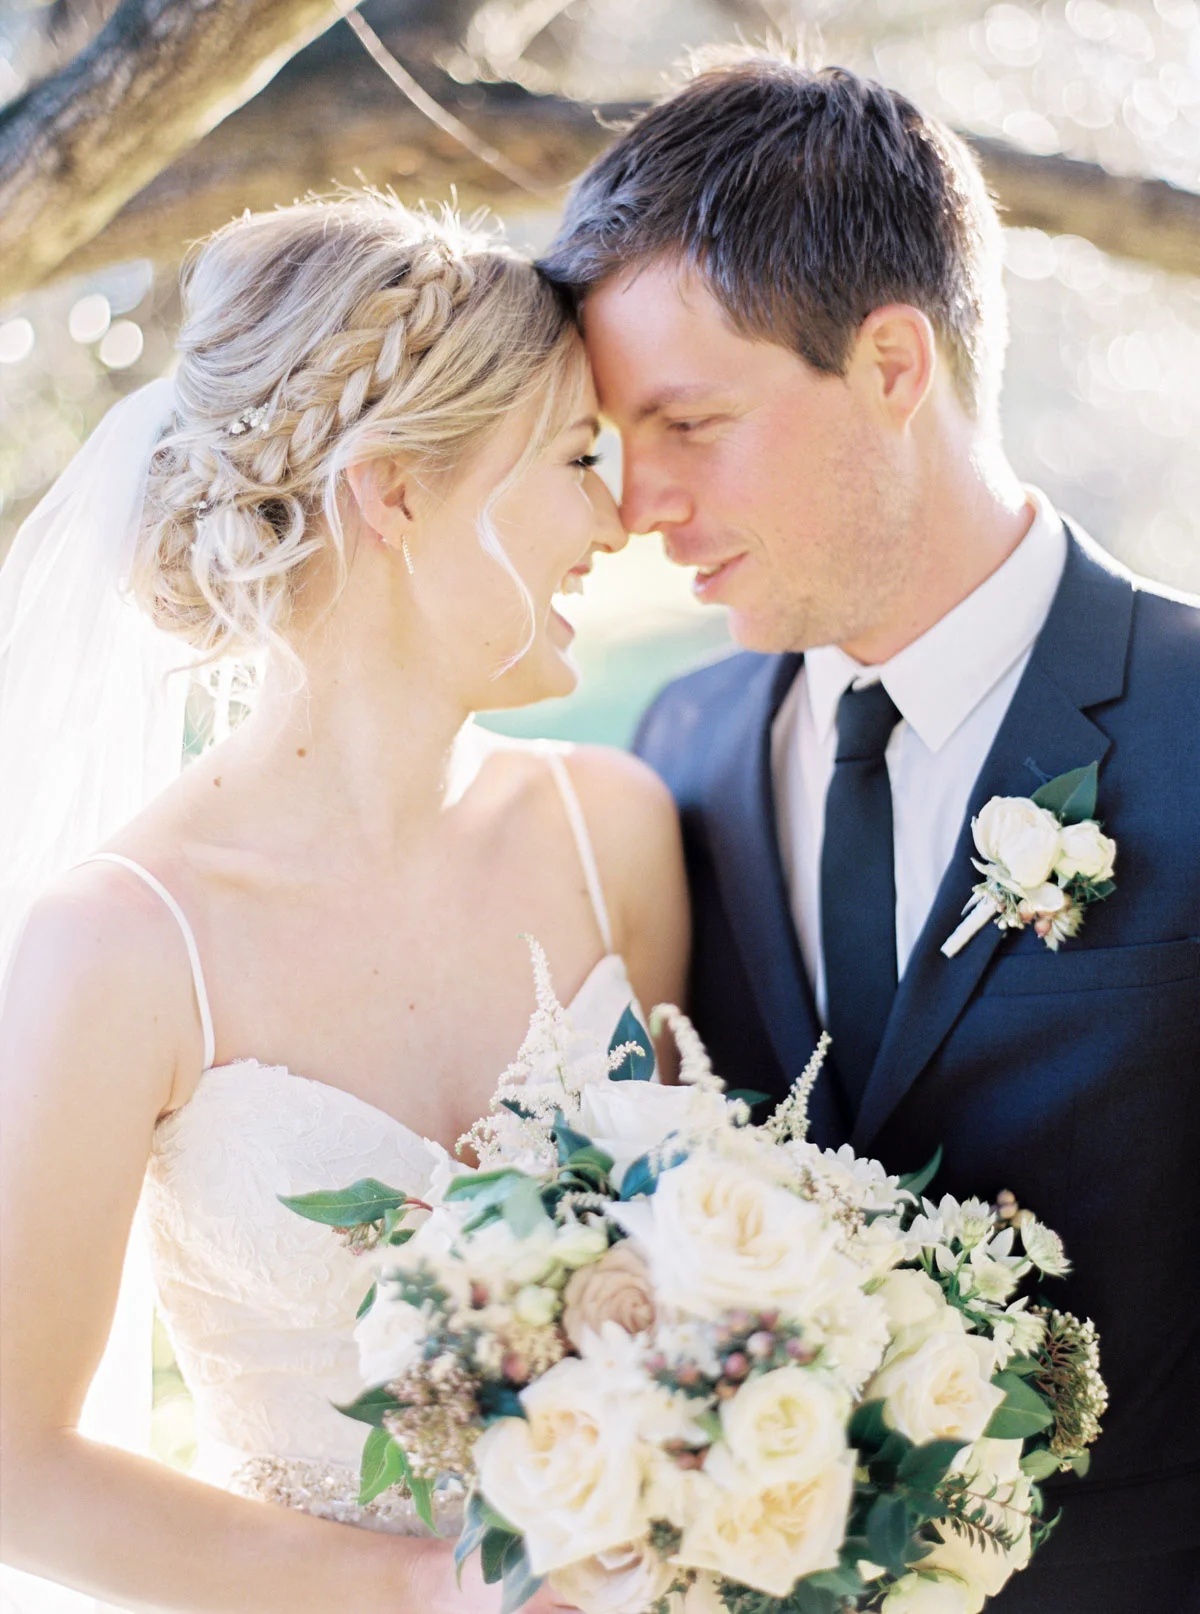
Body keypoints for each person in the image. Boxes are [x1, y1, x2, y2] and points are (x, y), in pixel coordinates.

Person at [541, 51, 1200, 1614]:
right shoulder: (674, 751)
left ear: (895, 363)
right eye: (616, 444)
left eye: (690, 420)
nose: (641, 503)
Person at [0, 195, 687, 1612]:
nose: (616, 516)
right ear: (394, 491)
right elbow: (16, 1467)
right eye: (572, 458)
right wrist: (443, 1590)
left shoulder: (609, 829)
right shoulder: (123, 945)